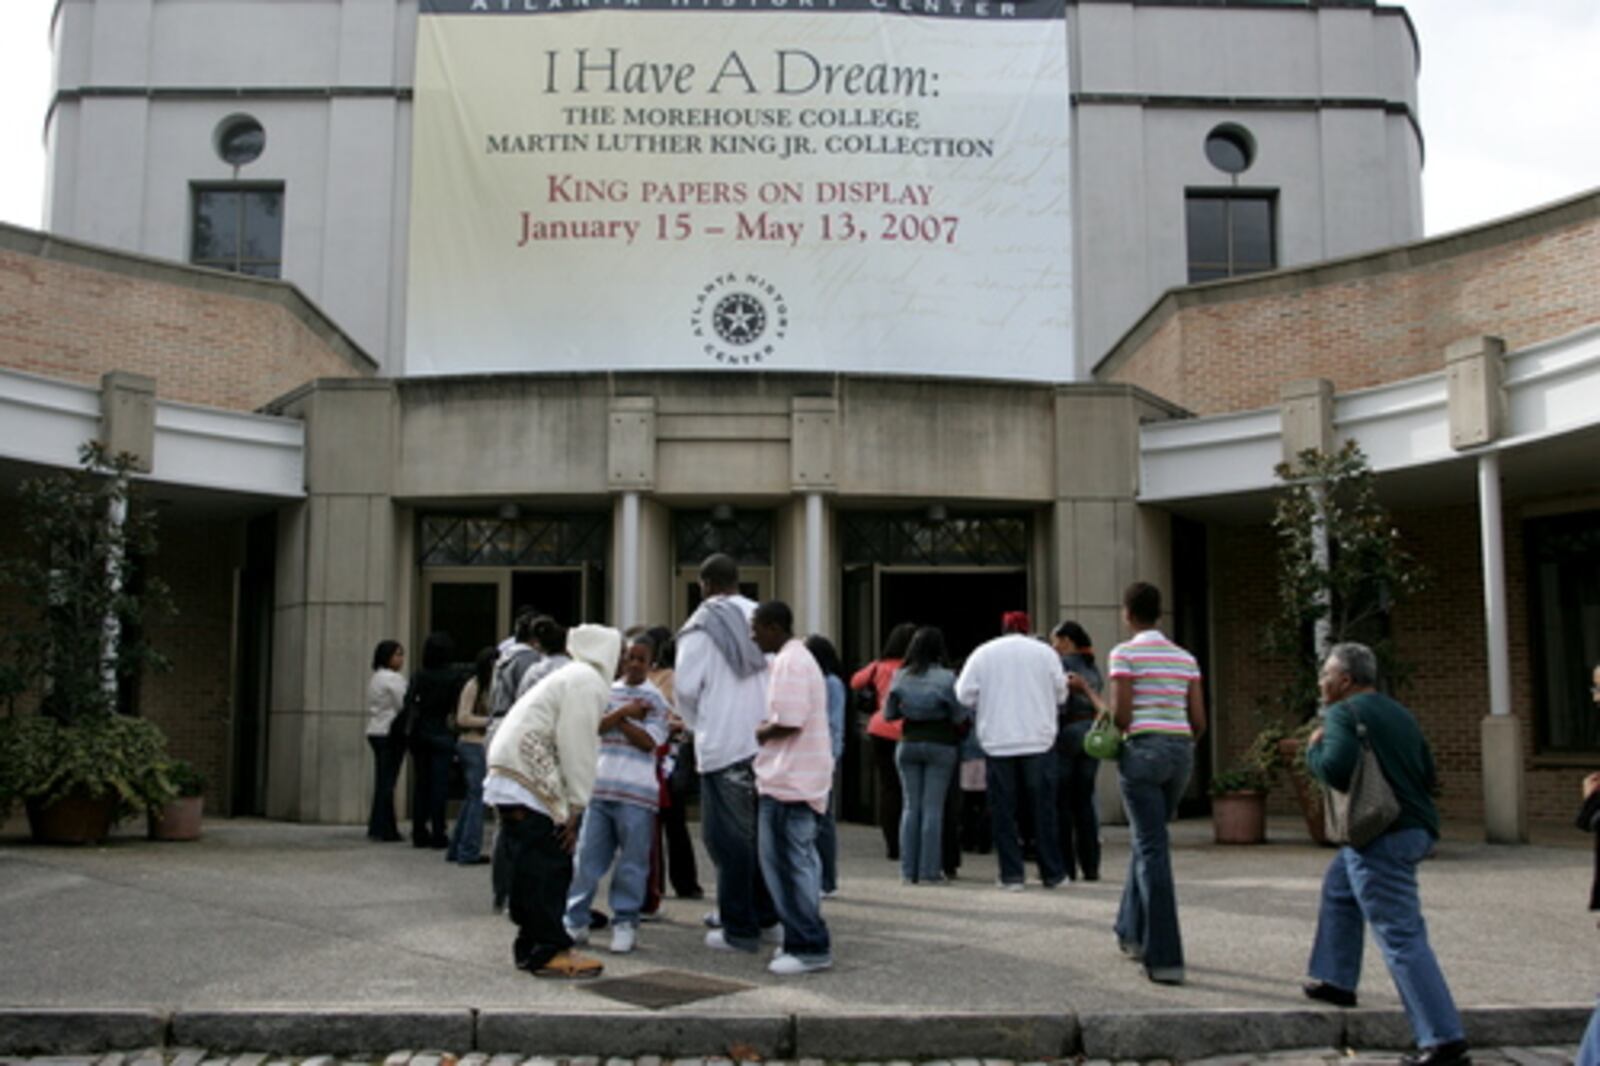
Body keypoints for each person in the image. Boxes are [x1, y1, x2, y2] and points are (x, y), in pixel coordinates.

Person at [1303, 641, 1466, 1066]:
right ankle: (1336, 978)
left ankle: (1443, 1040)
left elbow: (1336, 769)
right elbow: (1429, 772)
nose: (1320, 682)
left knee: (1401, 935)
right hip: (1415, 828)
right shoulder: (1400, 713)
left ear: (1344, 680)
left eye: (1325, 675)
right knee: (1339, 886)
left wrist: (1313, 749)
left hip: (1381, 834)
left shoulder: (1342, 714)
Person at [484, 623, 622, 979]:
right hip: (529, 772)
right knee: (551, 864)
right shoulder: (587, 681)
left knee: (528, 863)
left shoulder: (570, 674)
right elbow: (577, 745)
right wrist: (574, 809)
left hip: (510, 768)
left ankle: (531, 946)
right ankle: (550, 949)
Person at [675, 552, 779, 954]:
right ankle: (768, 916)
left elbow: (685, 688)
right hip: (765, 742)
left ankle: (739, 928)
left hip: (723, 742)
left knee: (727, 839)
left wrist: (695, 724)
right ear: (738, 582)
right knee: (761, 836)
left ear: (705, 585)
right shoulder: (763, 618)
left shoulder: (700, 625)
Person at [1108, 582, 1204, 985]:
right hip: (1181, 750)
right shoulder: (1185, 658)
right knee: (1149, 840)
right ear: (1159, 614)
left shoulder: (1124, 654)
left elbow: (1121, 714)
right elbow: (1199, 719)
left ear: (1128, 613)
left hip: (1143, 751)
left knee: (1152, 850)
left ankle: (1164, 956)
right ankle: (1130, 930)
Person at [563, 636, 671, 954]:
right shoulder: (606, 691)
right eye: (629, 657)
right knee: (587, 859)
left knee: (632, 863)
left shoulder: (656, 699)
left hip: (637, 793)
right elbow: (592, 726)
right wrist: (625, 714)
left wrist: (617, 719)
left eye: (641, 658)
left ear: (651, 662)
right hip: (600, 787)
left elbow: (649, 741)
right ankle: (575, 918)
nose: (634, 663)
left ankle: (625, 921)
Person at [750, 600, 835, 975]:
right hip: (798, 780)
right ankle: (801, 939)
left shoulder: (789, 662)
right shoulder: (798, 658)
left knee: (787, 868)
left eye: (755, 627)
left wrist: (759, 730)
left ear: (772, 626)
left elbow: (789, 721)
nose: (752, 636)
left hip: (789, 782)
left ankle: (809, 945)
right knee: (798, 865)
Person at [955, 611, 1067, 890]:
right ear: (1028, 628)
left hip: (998, 740)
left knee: (1003, 810)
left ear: (1003, 628)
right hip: (1039, 739)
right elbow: (1061, 693)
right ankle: (1052, 872)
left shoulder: (983, 653)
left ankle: (1011, 874)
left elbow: (963, 694)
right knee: (1043, 809)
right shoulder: (1045, 653)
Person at [490, 616, 570, 913]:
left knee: (508, 821)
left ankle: (504, 891)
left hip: (505, 736)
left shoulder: (510, 661)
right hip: (534, 744)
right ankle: (528, 894)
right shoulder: (545, 667)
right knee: (537, 823)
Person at [884, 626, 969, 885]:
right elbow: (959, 715)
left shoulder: (900, 676)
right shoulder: (946, 678)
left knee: (910, 807)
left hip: (908, 743)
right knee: (932, 809)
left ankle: (908, 871)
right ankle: (929, 871)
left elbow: (889, 715)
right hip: (940, 744)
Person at [851, 622, 916, 861]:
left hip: (880, 728)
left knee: (889, 789)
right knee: (912, 790)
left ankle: (893, 847)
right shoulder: (915, 669)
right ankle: (911, 842)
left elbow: (855, 682)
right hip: (909, 730)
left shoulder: (880, 666)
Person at [1052, 620, 1105, 881]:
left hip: (1068, 731)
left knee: (1063, 803)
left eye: (1056, 641)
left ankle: (1066, 866)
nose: (1053, 646)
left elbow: (1058, 700)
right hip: (1092, 733)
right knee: (1085, 802)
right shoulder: (1092, 666)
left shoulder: (1063, 665)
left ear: (1067, 641)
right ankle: (1091, 866)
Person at [405, 631, 464, 850]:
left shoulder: (419, 675)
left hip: (420, 733)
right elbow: (456, 707)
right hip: (442, 731)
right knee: (440, 785)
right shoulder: (454, 677)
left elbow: (409, 701)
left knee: (422, 783)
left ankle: (419, 830)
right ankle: (439, 831)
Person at [805, 633, 848, 897]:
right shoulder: (818, 682)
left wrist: (831, 757)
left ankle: (826, 879)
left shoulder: (830, 683)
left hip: (822, 756)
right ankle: (820, 877)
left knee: (822, 819)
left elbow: (834, 723)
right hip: (813, 755)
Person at [446, 646, 496, 865]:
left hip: (480, 744)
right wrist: (490, 722)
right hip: (472, 744)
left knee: (471, 798)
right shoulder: (474, 685)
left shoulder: (492, 686)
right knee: (477, 797)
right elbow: (463, 718)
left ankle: (458, 848)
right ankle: (468, 850)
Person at [365, 639, 407, 842]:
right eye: (397, 654)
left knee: (383, 781)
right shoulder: (394, 679)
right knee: (387, 783)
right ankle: (384, 827)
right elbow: (403, 705)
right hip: (390, 732)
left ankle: (380, 826)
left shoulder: (376, 678)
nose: (401, 659)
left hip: (375, 730)